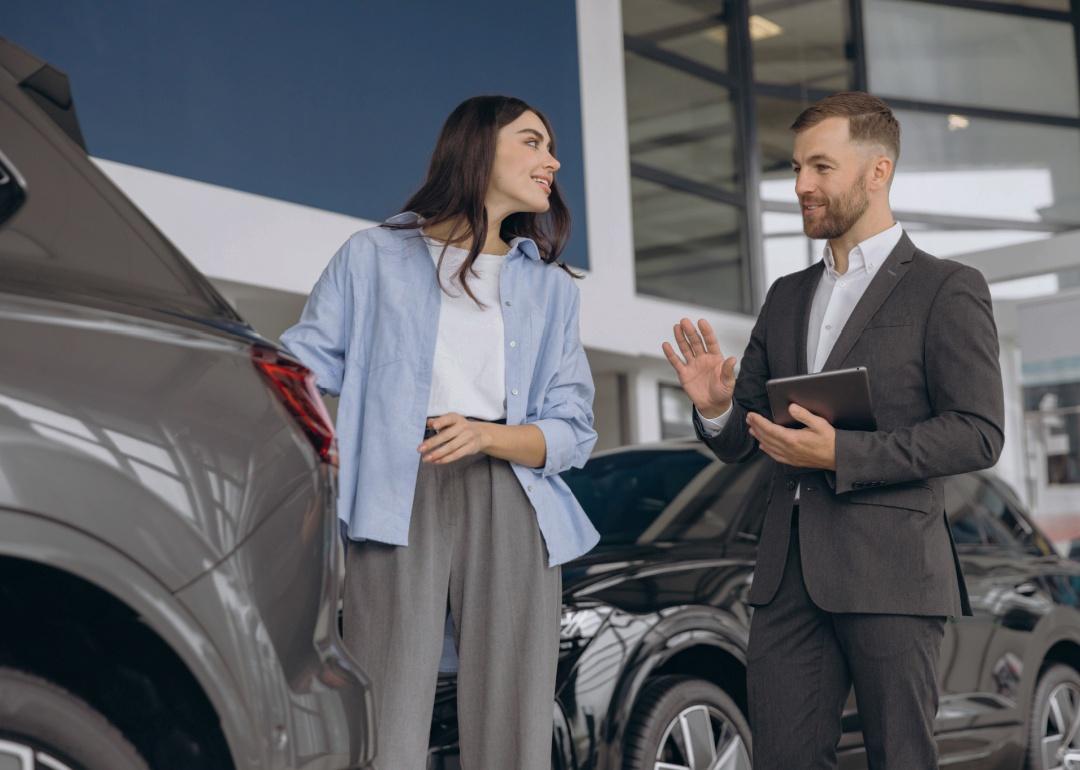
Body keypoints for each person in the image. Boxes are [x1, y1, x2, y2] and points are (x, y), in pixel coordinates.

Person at [663, 91, 1004, 769]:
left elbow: (978, 433)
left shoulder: (946, 288)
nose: (800, 186)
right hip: (786, 580)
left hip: (893, 574)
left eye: (820, 167)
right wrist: (714, 409)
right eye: (796, 169)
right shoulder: (787, 295)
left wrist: (841, 452)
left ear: (878, 171)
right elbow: (741, 440)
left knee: (899, 758)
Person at [281, 95, 598, 769]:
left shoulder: (553, 291)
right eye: (535, 143)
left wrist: (488, 438)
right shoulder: (373, 257)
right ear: (479, 147)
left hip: (515, 499)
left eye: (552, 148)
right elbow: (297, 374)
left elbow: (573, 431)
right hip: (399, 492)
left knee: (513, 720)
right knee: (385, 710)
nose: (554, 161)